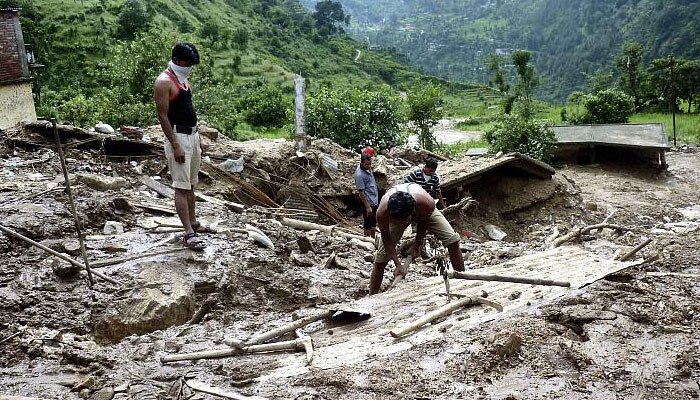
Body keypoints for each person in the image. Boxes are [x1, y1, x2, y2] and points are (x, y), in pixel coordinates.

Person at [154, 42, 212, 251]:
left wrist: (199, 136)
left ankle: (194, 223)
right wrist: (175, 144)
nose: (189, 67)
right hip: (178, 136)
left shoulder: (184, 80)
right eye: (187, 63)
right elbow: (162, 116)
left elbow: (189, 108)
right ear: (177, 60)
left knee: (191, 184)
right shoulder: (164, 82)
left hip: (192, 135)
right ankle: (188, 232)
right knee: (181, 186)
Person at [369, 183, 464, 295]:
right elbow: (386, 237)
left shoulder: (426, 203)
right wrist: (398, 264)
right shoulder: (382, 212)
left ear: (413, 212)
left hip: (423, 211)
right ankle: (372, 295)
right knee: (381, 257)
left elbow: (424, 223)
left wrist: (416, 245)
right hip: (401, 213)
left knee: (452, 240)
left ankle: (463, 279)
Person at [354, 153, 379, 237]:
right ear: (362, 163)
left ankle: (373, 238)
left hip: (374, 199)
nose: (368, 166)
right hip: (368, 202)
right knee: (368, 223)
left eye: (370, 164)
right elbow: (361, 192)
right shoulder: (359, 175)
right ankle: (368, 239)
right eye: (366, 164)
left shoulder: (367, 168)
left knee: (373, 221)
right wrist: (368, 207)